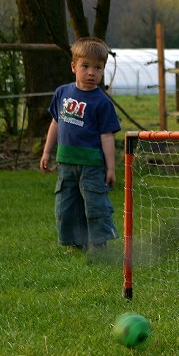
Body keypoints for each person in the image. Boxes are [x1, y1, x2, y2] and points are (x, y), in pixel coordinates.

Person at [40, 37, 121, 252]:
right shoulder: (62, 93)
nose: (91, 72)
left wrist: (110, 168)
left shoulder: (102, 102)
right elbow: (55, 123)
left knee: (95, 205)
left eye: (98, 68)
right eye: (85, 66)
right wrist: (47, 153)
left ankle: (98, 243)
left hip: (92, 165)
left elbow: (107, 136)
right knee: (67, 206)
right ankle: (75, 243)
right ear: (74, 67)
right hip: (66, 162)